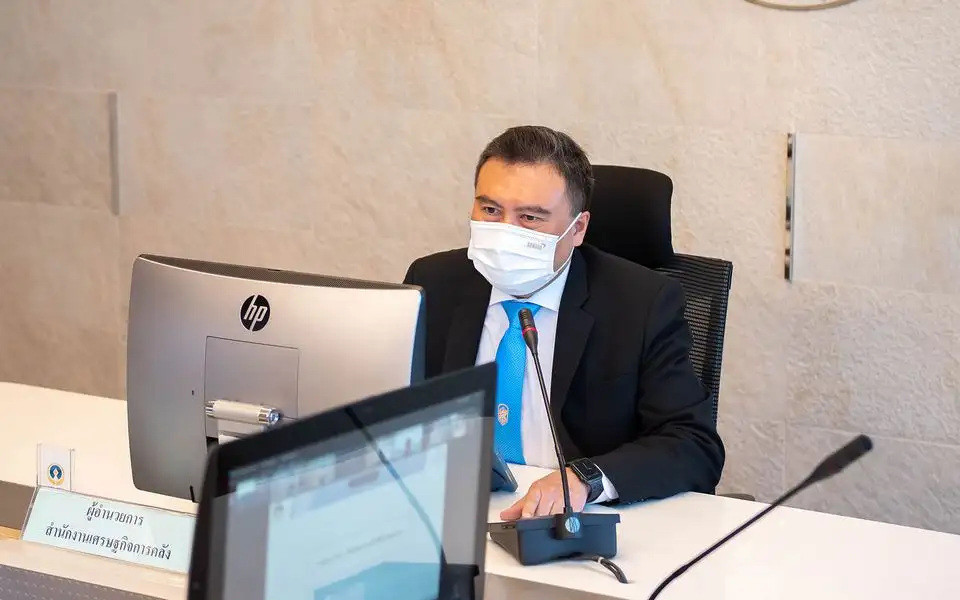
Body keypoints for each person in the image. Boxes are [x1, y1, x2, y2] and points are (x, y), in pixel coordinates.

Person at [403, 125, 724, 520]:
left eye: (530, 217)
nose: (504, 232)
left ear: (578, 228)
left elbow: (693, 445)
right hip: (449, 509)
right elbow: (395, 413)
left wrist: (586, 479)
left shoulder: (640, 303)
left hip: (574, 521)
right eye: (490, 210)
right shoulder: (433, 282)